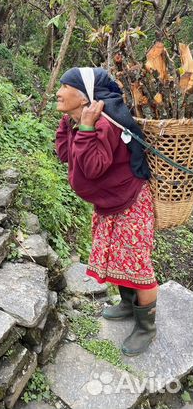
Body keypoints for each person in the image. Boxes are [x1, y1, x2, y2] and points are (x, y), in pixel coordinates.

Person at [55, 67, 158, 356]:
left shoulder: (104, 124)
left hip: (130, 204)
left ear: (85, 94)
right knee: (116, 257)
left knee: (138, 266)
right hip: (110, 204)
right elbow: (66, 155)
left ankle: (146, 328)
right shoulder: (83, 120)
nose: (59, 92)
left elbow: (92, 167)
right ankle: (127, 304)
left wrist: (86, 128)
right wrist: (70, 124)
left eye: (66, 86)